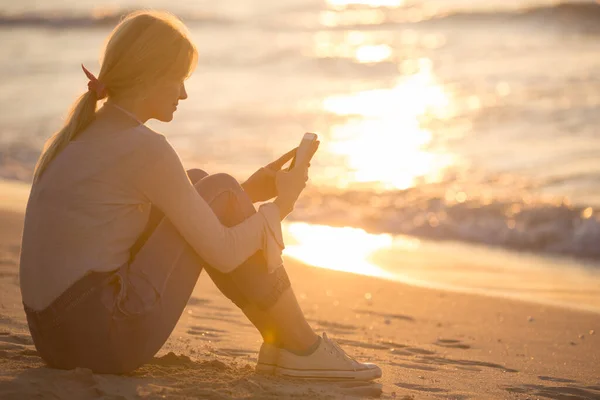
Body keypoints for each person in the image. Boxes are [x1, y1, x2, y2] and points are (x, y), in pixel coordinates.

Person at [18, 10, 381, 380]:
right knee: (219, 187)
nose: (185, 93)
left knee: (201, 182)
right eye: (179, 79)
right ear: (152, 76)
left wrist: (251, 190)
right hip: (105, 341)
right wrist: (281, 205)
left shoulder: (80, 134)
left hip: (56, 338)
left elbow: (148, 219)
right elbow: (224, 254)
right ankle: (301, 345)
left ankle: (282, 343)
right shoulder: (144, 148)